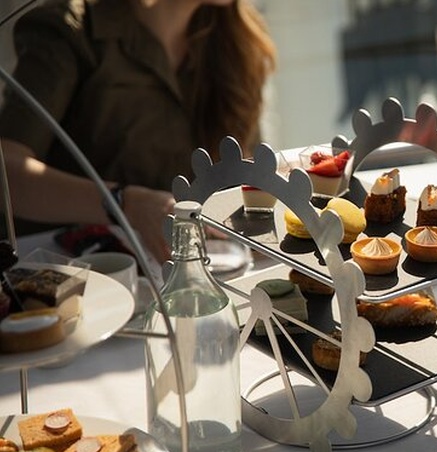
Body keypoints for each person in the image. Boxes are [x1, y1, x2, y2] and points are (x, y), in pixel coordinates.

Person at [0, 0, 276, 262]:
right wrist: (124, 203)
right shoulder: (72, 29)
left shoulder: (237, 44)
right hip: (75, 284)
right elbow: (8, 175)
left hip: (186, 278)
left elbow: (245, 174)